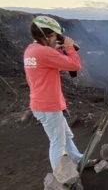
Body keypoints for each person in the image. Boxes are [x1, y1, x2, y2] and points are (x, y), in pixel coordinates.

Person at [23, 15, 97, 171]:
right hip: (49, 106)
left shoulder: (31, 50)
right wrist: (69, 47)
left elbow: (48, 59)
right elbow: (75, 65)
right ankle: (61, 179)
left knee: (66, 136)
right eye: (55, 35)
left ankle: (78, 160)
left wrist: (57, 50)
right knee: (58, 143)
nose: (57, 39)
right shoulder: (45, 53)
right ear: (48, 35)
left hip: (41, 103)